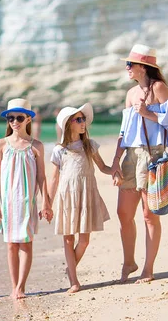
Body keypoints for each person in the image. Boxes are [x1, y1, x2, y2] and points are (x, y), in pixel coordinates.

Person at [110, 44, 168, 284]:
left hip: (152, 154)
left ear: (143, 68)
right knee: (123, 213)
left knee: (149, 215)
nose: (127, 68)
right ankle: (129, 262)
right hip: (130, 156)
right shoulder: (131, 93)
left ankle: (148, 269)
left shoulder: (159, 88)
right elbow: (124, 131)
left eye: (130, 64)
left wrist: (148, 114)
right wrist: (115, 160)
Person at [48, 103, 113, 293]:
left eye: (83, 119)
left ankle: (71, 270)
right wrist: (47, 204)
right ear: (69, 124)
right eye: (79, 119)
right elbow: (54, 179)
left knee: (84, 240)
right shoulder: (60, 150)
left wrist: (116, 170)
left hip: (86, 194)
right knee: (68, 239)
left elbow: (103, 167)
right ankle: (74, 281)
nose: (83, 122)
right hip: (66, 196)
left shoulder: (89, 145)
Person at [0, 99, 52, 300]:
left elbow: (42, 177)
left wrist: (46, 202)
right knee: (10, 245)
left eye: (18, 117)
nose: (14, 122)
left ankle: (21, 287)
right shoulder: (1, 144)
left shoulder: (36, 146)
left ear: (28, 119)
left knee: (26, 243)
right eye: (10, 118)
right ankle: (13, 285)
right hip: (7, 202)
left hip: (27, 201)